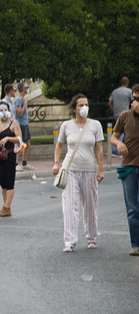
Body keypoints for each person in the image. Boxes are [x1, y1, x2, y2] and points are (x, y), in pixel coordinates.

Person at [53, 94, 104, 252]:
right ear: (74, 108)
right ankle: (69, 241)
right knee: (69, 205)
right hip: (71, 170)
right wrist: (56, 163)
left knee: (90, 205)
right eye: (80, 105)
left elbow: (99, 149)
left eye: (86, 104)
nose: (84, 108)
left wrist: (100, 169)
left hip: (89, 169)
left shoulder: (95, 125)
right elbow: (59, 146)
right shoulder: (66, 126)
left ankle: (92, 237)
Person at [110, 84, 139, 256]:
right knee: (133, 209)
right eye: (134, 98)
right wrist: (118, 142)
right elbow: (114, 136)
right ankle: (135, 243)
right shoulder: (125, 116)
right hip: (129, 166)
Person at [0, 102, 22, 217]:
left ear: (9, 110)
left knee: (9, 182)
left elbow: (19, 139)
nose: (3, 112)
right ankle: (6, 206)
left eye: (5, 109)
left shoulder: (14, 123)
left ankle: (6, 208)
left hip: (9, 155)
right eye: (1, 110)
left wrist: (8, 137)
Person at [14, 82, 37, 171]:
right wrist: (24, 104)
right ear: (22, 89)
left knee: (27, 143)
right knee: (19, 143)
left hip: (25, 123)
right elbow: (19, 112)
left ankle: (24, 162)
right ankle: (16, 163)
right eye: (26, 88)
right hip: (21, 124)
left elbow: (23, 111)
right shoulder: (19, 99)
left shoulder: (22, 99)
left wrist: (30, 110)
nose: (27, 89)